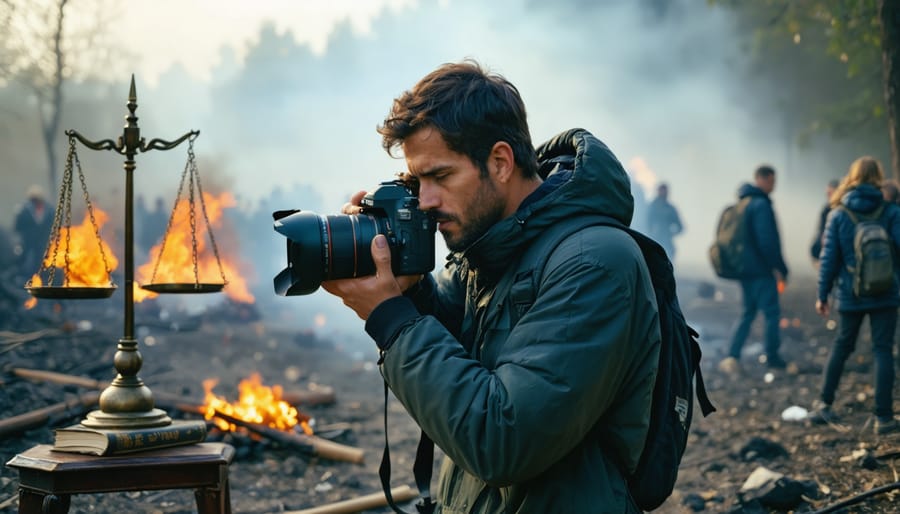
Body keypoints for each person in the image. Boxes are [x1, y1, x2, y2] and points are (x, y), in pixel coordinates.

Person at [322, 60, 660, 513]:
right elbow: (463, 362)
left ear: (500, 162)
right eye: (416, 181)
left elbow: (501, 440)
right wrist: (408, 290)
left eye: (440, 177)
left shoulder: (594, 262)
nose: (425, 201)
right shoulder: (489, 248)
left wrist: (391, 318)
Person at [810, 156, 899, 435]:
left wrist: (822, 294)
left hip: (851, 293)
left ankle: (824, 404)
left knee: (842, 345)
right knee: (883, 349)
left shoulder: (838, 213)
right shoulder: (891, 211)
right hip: (885, 290)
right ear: (878, 177)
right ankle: (883, 418)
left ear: (852, 176)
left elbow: (828, 259)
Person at [719, 165, 790, 372]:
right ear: (763, 179)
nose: (774, 186)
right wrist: (780, 267)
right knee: (771, 313)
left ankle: (733, 354)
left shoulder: (743, 204)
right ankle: (773, 357)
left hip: (743, 270)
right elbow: (767, 241)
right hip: (760, 270)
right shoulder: (761, 205)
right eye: (772, 181)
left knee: (747, 312)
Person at [13, 185, 55, 281]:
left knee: (41, 258)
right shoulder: (24, 210)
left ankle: (41, 277)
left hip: (43, 239)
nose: (36, 202)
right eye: (34, 200)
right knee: (23, 256)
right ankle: (19, 276)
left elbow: (53, 224)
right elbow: (18, 225)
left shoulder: (49, 210)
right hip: (28, 239)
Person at [645, 182, 683, 260]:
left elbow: (680, 227)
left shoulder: (670, 209)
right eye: (661, 191)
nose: (664, 193)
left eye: (665, 191)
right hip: (653, 241)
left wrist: (670, 233)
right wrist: (651, 232)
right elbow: (645, 223)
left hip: (666, 242)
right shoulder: (651, 207)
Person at [810, 179, 839, 264]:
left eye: (830, 193)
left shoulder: (842, 211)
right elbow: (820, 232)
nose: (828, 196)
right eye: (827, 193)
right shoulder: (826, 209)